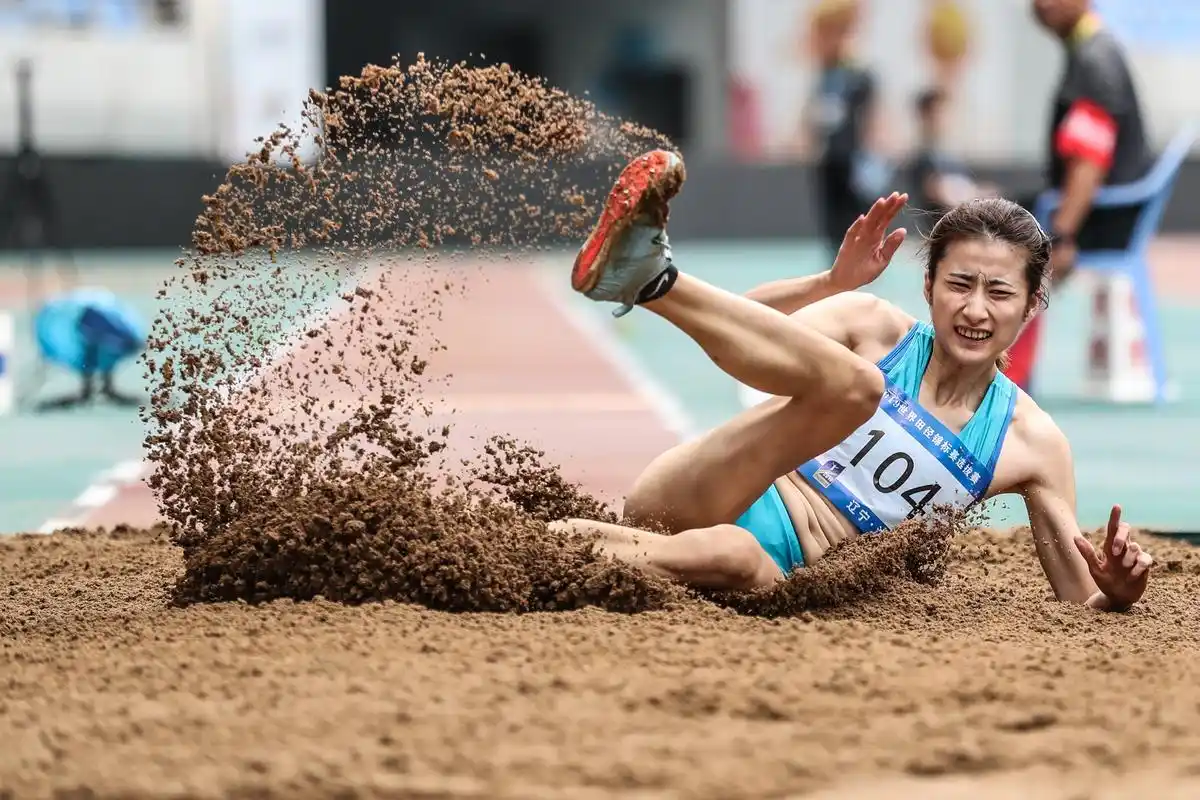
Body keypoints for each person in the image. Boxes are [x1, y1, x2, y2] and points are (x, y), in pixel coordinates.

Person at [558, 149, 1153, 612]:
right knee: (859, 387)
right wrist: (830, 284)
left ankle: (551, 548)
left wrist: (1119, 593)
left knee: (735, 553)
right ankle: (653, 281)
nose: (975, 310)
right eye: (959, 284)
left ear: (1029, 309)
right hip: (697, 493)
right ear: (928, 288)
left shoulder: (1031, 442)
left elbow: (1080, 601)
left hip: (769, 574)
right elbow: (744, 330)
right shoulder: (873, 329)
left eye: (998, 293)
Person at [1004, 0, 1154, 394]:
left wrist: (1063, 235)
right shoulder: (1086, 51)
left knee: (1005, 241)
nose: (1043, 4)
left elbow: (1089, 159)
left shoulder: (1095, 59)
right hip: (1095, 212)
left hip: (1102, 220)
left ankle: (1008, 377)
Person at [799, 0, 890, 258]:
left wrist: (875, 153)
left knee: (855, 214)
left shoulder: (861, 75)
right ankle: (835, 260)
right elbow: (814, 111)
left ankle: (857, 260)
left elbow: (872, 118)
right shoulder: (825, 72)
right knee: (831, 215)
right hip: (829, 157)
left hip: (853, 157)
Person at [908, 87, 997, 215]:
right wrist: (974, 194)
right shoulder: (922, 158)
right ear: (924, 116)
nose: (942, 119)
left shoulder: (952, 156)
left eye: (944, 112)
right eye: (936, 113)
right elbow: (941, 194)